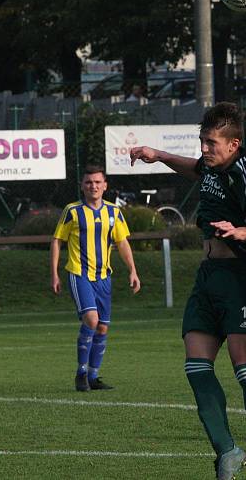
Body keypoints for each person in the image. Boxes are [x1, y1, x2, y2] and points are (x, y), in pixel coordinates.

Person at [129, 102, 246, 480]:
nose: (205, 149)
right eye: (203, 141)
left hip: (238, 277)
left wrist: (243, 232)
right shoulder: (211, 167)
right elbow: (193, 168)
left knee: (244, 366)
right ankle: (228, 450)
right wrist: (157, 155)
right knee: (196, 366)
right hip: (207, 275)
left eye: (211, 143)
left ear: (234, 144)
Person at [50, 165, 140, 392]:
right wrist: (54, 273)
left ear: (105, 186)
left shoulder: (113, 212)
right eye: (89, 182)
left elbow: (122, 243)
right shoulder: (72, 211)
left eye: (98, 182)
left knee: (102, 328)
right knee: (91, 319)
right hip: (79, 274)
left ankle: (93, 376)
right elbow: (56, 240)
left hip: (103, 277)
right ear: (82, 186)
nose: (93, 186)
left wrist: (133, 270)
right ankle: (80, 373)